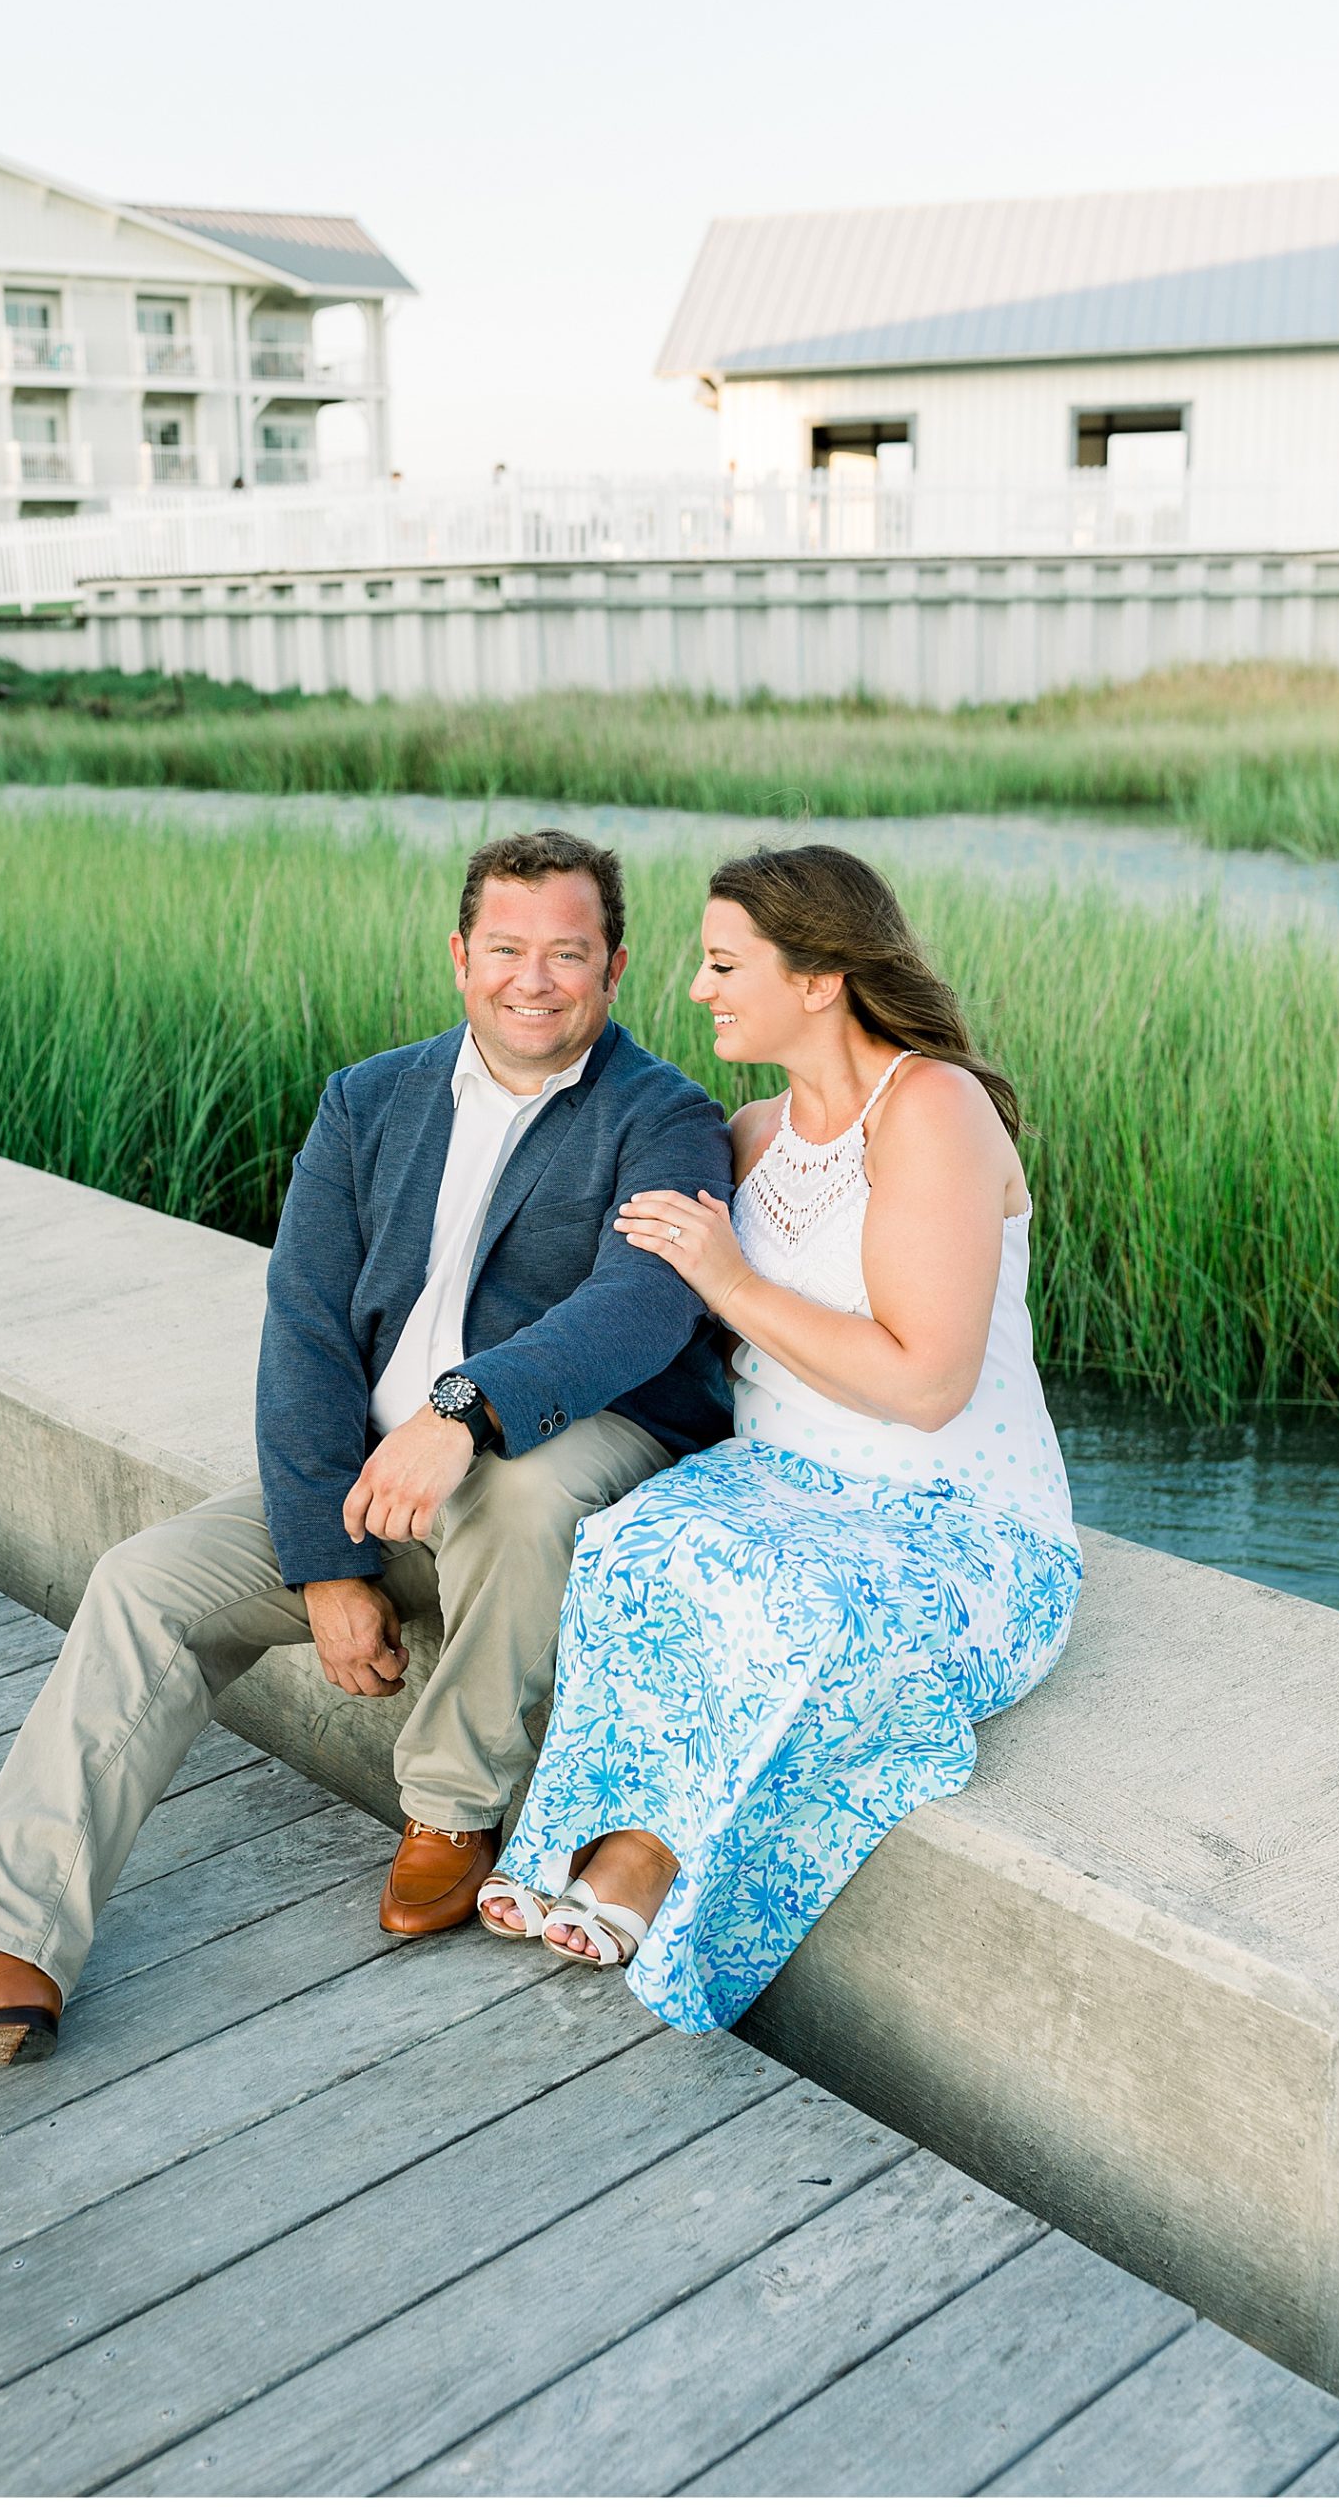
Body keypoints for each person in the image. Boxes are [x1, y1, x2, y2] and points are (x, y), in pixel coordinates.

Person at [0, 829, 733, 2072]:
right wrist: (325, 1560)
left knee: (517, 1491)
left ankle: (451, 1809)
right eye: (507, 949)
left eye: (567, 954)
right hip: (381, 1474)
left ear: (616, 967)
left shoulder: (665, 1118)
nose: (534, 979)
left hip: (565, 1455)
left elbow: (639, 1306)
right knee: (146, 1585)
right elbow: (306, 1332)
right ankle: (1, 1946)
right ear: (459, 955)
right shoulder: (370, 1100)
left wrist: (464, 1410)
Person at [477, 844, 1082, 2032]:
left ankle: (654, 1875)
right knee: (634, 1545)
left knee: (794, 1605)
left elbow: (926, 1385)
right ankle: (581, 1837)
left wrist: (729, 1278)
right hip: (780, 1483)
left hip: (966, 1528)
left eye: (722, 962)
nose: (698, 989)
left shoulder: (932, 1110)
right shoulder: (748, 1131)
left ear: (818, 979)